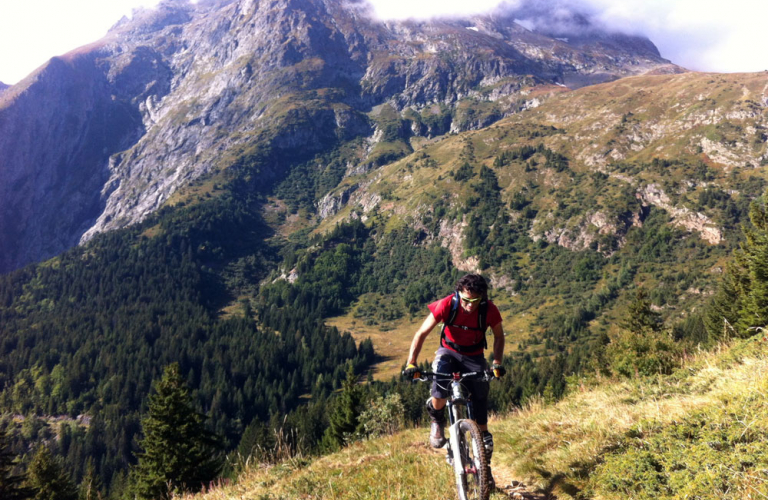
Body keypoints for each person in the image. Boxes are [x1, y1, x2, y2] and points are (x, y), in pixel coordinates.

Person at [403, 273, 505, 488]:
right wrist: (411, 363)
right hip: (448, 352)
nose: (469, 306)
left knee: (480, 395)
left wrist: (496, 362)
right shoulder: (447, 304)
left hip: (474, 356)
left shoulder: (489, 309)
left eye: (474, 301)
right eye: (465, 300)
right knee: (439, 386)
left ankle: (484, 463)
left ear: (482, 298)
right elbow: (421, 333)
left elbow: (499, 336)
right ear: (459, 294)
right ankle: (436, 418)